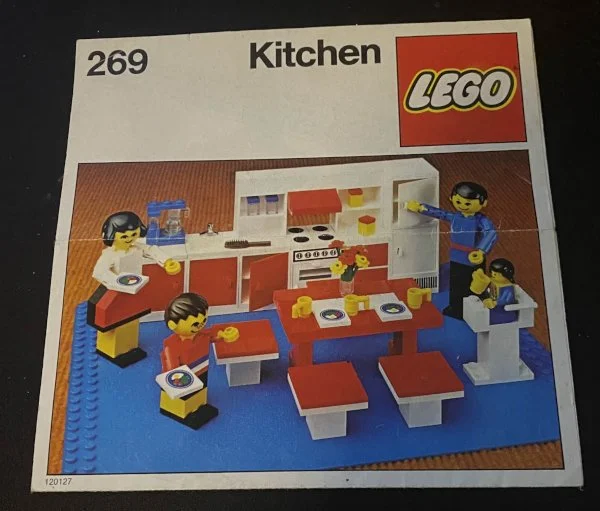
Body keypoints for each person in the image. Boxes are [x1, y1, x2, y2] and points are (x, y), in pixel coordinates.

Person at [87, 211, 181, 367]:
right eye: (124, 236)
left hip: (135, 290)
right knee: (115, 324)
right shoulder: (110, 255)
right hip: (116, 292)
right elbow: (99, 272)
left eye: (133, 234)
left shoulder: (136, 248)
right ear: (112, 235)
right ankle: (111, 351)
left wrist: (166, 261)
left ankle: (130, 348)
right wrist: (117, 282)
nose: (129, 238)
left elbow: (151, 250)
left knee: (132, 320)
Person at [406, 181, 497, 320]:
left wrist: (481, 251)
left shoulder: (481, 221)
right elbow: (440, 213)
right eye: (459, 201)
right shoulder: (455, 217)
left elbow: (491, 232)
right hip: (456, 256)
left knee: (474, 285)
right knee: (456, 283)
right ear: (451, 199)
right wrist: (421, 208)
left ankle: (475, 310)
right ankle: (455, 308)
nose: (463, 206)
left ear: (483, 203)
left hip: (473, 257)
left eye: (468, 203)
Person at [159, 292, 239, 428]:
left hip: (201, 370)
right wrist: (176, 380)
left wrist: (225, 335)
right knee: (185, 398)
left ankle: (198, 407)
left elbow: (214, 335)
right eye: (196, 324)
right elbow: (170, 367)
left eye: (204, 320)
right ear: (173, 325)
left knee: (200, 391)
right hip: (183, 379)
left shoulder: (202, 335)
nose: (201, 325)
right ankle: (183, 412)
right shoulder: (172, 345)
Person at [472, 258, 518, 325]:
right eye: (492, 272)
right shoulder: (492, 280)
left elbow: (506, 300)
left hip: (503, 311)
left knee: (485, 317)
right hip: (493, 306)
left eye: (496, 274)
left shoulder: (507, 287)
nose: (493, 275)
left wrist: (494, 303)